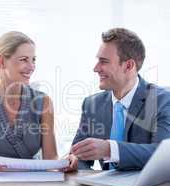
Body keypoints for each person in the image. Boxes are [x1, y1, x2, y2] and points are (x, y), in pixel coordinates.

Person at [0, 31, 78, 173]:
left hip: (33, 182)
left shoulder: (43, 102)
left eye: (33, 60)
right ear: (2, 61)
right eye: (24, 59)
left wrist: (66, 161)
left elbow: (51, 158)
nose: (31, 67)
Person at [70, 28, 170, 170]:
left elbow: (163, 155)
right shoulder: (92, 104)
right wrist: (73, 161)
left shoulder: (163, 101)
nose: (96, 68)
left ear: (128, 65)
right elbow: (79, 156)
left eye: (103, 61)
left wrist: (110, 149)